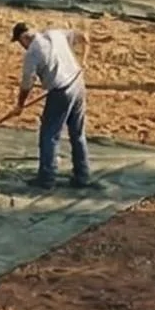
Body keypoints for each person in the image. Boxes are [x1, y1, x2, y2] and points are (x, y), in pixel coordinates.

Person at [12, 20, 91, 189]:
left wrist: (20, 105)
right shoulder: (55, 34)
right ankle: (82, 176)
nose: (22, 47)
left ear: (24, 38)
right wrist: (83, 62)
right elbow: (84, 37)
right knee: (77, 134)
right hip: (78, 84)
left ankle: (47, 179)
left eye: (20, 43)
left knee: (49, 135)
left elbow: (28, 82)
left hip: (61, 91)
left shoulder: (33, 52)